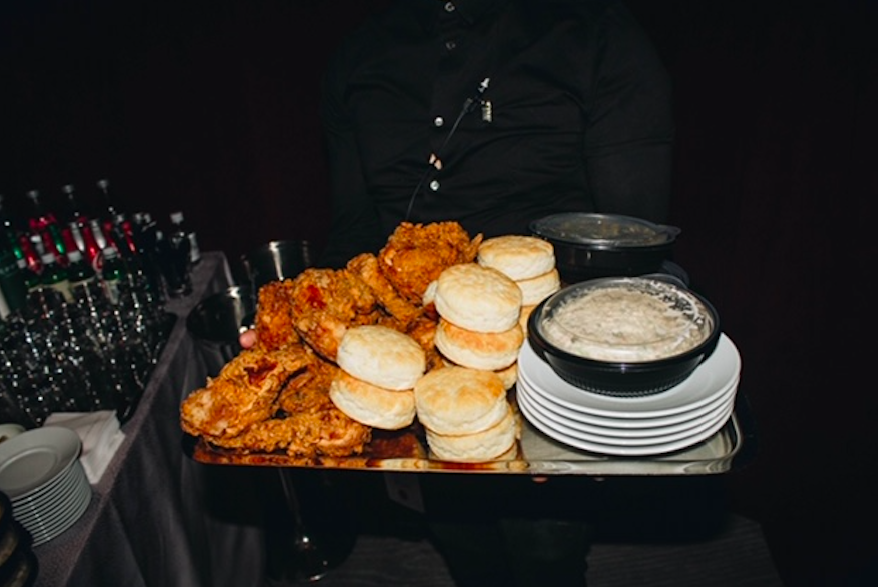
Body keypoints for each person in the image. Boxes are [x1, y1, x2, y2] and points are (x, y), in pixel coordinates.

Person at [247, 1, 675, 585]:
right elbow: (353, 229)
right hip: (419, 360)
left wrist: (571, 406)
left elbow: (630, 242)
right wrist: (309, 322)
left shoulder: (598, 31)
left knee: (546, 547)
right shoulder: (358, 53)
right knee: (461, 536)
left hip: (552, 343)